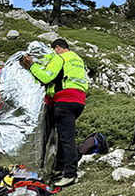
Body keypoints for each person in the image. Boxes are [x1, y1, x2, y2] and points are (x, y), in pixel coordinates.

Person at [21, 38, 89, 187]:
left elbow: (46, 77)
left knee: (65, 138)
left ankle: (70, 174)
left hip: (64, 100)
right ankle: (59, 168)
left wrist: (31, 66)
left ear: (57, 48)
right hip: (78, 101)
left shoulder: (60, 58)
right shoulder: (77, 59)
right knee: (65, 135)